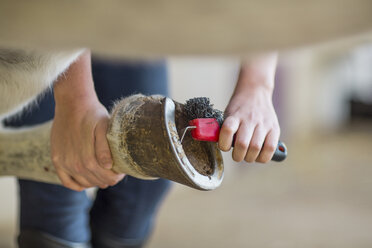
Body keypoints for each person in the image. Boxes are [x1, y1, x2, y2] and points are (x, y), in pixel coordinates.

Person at [4, 50, 279, 247]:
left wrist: (257, 86)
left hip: (132, 16)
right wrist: (74, 99)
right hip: (45, 27)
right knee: (62, 183)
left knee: (142, 189)